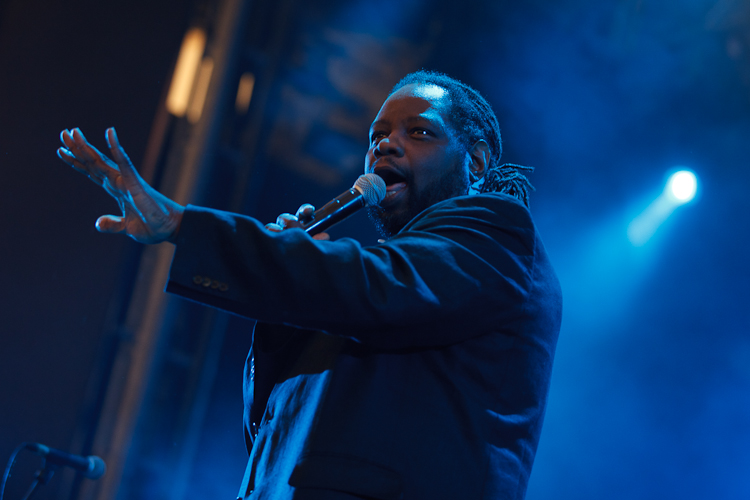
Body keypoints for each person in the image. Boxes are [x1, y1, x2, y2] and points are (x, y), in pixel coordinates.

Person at [58, 70, 562, 500]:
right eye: (377, 135)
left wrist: (183, 225)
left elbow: (375, 287)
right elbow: (269, 430)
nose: (385, 144)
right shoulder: (370, 285)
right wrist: (291, 287)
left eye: (419, 132)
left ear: (476, 161)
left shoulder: (497, 233)